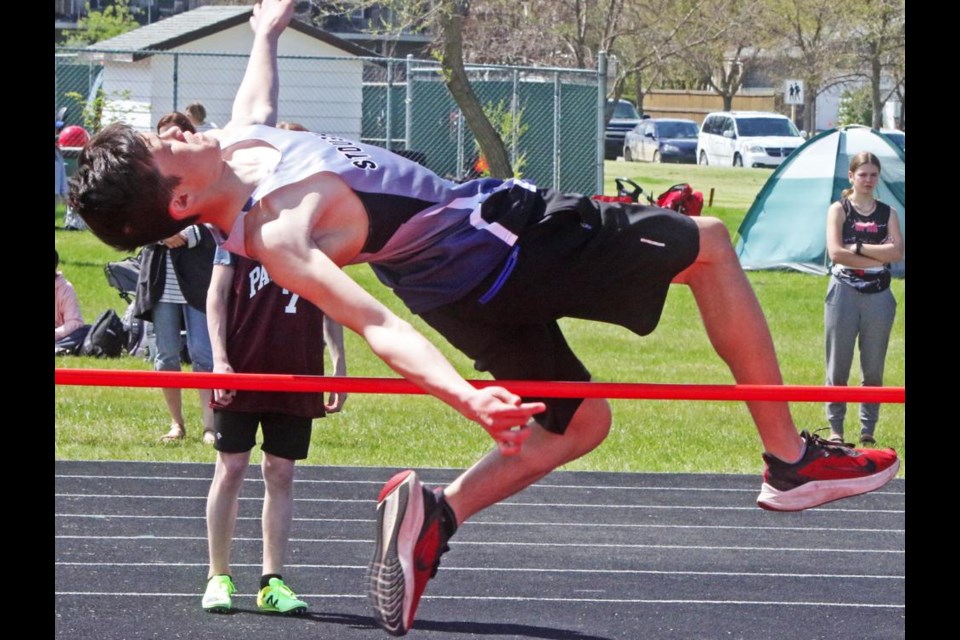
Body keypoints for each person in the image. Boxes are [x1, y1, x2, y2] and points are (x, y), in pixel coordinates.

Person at [69, 1, 900, 635]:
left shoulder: (239, 154)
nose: (176, 131)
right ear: (181, 195)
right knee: (712, 244)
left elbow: (253, 105)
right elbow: (376, 327)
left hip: (461, 289)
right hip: (511, 243)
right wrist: (465, 400)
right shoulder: (280, 234)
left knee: (580, 423)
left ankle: (436, 515)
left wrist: (266, 33)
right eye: (163, 146)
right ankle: (788, 459)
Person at [201, 245, 347, 615]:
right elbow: (216, 294)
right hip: (242, 367)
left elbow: (333, 298)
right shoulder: (236, 232)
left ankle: (272, 583)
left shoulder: (317, 236)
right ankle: (218, 576)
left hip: (298, 370)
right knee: (231, 468)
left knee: (281, 472)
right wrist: (219, 359)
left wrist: (339, 363)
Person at [130, 113, 217, 444]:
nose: (170, 142)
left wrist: (182, 232)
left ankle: (210, 425)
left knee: (203, 355)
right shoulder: (147, 178)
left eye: (177, 135)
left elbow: (211, 222)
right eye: (164, 136)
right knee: (165, 355)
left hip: (196, 279)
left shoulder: (203, 173)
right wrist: (163, 233)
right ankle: (177, 424)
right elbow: (136, 223)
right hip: (161, 282)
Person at [824, 152, 904, 446]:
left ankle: (868, 428)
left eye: (873, 175)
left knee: (873, 366)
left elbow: (896, 253)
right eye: (863, 175)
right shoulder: (839, 209)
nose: (868, 180)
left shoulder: (888, 213)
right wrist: (875, 250)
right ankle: (836, 428)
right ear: (851, 177)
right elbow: (835, 252)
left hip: (879, 294)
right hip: (843, 291)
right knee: (838, 365)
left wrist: (856, 246)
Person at [55, 248, 90, 354]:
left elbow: (74, 322)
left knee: (86, 331)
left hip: (60, 335)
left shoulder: (65, 288)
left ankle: (59, 348)